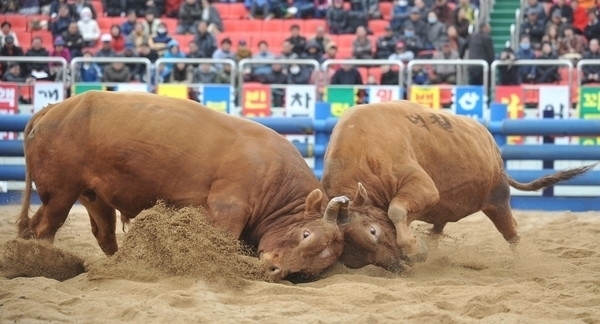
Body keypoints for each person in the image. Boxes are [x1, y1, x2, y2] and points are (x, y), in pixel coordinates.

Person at [467, 21, 494, 86]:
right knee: (484, 87)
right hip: (482, 67)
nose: (490, 28)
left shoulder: (472, 36)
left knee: (473, 87)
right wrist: (491, 64)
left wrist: (460, 57)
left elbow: (463, 46)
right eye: (488, 27)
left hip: (472, 66)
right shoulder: (487, 38)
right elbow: (490, 53)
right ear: (484, 28)